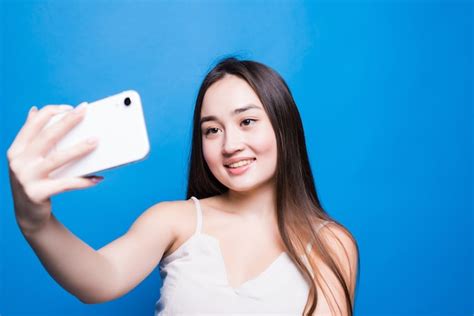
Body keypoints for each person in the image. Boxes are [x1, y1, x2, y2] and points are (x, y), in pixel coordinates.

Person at [7, 57, 359, 316]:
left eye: (247, 121)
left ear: (284, 126)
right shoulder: (174, 221)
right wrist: (35, 222)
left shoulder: (331, 245)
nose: (230, 144)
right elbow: (100, 279)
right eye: (212, 130)